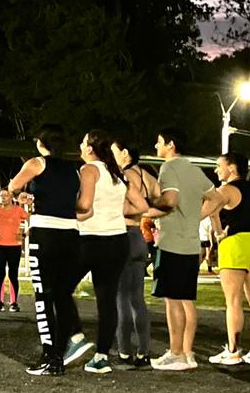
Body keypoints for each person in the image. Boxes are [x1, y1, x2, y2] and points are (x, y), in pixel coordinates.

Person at [8, 126, 81, 377]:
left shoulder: (37, 163)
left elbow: (13, 185)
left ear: (41, 143)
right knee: (62, 294)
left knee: (44, 295)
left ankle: (50, 356)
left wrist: (22, 196)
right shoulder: (75, 170)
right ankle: (64, 349)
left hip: (46, 233)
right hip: (72, 234)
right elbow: (78, 202)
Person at [144, 127, 213, 372]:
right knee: (186, 300)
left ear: (170, 144)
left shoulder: (169, 168)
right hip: (191, 244)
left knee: (172, 301)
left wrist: (148, 206)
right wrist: (195, 217)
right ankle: (187, 352)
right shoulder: (194, 169)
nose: (156, 146)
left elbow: (170, 201)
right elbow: (215, 198)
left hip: (172, 242)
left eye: (159, 142)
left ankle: (176, 353)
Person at [202, 152, 250, 366]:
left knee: (233, 302)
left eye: (218, 166)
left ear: (232, 168)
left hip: (235, 245)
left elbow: (204, 212)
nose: (216, 170)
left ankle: (233, 350)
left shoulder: (224, 190)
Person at [74, 130, 130, 375]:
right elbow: (140, 205)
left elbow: (85, 205)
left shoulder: (90, 170)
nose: (80, 144)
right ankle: (101, 356)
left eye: (83, 141)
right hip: (118, 239)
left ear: (90, 148)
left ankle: (75, 339)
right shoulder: (116, 172)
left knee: (57, 288)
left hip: (91, 239)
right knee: (107, 301)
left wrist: (59, 208)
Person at [113, 141, 158, 367]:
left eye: (113, 151)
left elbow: (119, 205)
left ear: (124, 153)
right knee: (137, 300)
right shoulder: (146, 175)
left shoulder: (123, 176)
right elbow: (161, 199)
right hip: (140, 237)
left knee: (121, 299)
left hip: (123, 234)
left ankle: (123, 351)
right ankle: (143, 351)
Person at [0, 189, 26, 312]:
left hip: (14, 245)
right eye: (1, 196)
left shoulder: (18, 210)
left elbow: (31, 219)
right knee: (0, 273)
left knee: (13, 273)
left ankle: (13, 302)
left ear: (11, 197)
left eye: (6, 195)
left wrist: (24, 234)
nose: (3, 198)